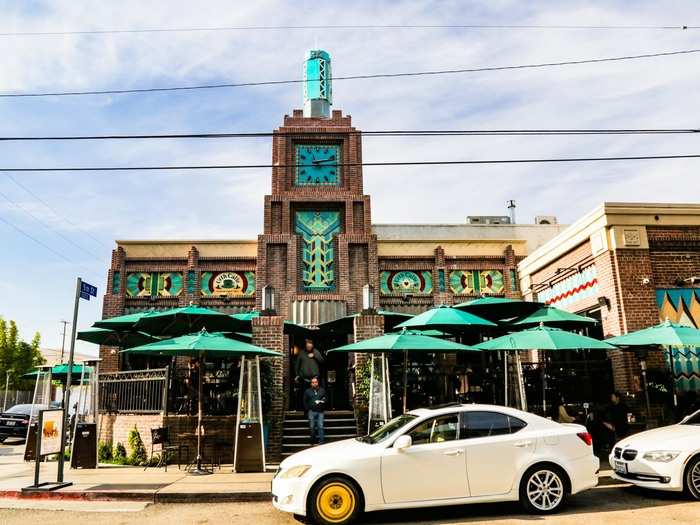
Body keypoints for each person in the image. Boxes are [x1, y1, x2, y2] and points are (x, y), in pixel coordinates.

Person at [295, 339, 325, 408]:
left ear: (312, 346)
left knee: (316, 395)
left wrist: (314, 356)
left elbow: (322, 361)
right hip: (304, 379)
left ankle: (316, 408)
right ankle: (305, 409)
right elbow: (297, 365)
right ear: (305, 346)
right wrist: (297, 375)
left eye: (310, 347)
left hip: (315, 379)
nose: (309, 348)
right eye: (308, 347)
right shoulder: (301, 353)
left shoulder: (316, 352)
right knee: (304, 395)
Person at [303, 377, 327, 445]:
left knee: (320, 426)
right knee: (312, 427)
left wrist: (323, 401)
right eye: (313, 382)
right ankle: (313, 441)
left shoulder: (322, 390)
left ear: (318, 383)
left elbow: (325, 399)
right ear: (311, 383)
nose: (314, 383)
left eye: (315, 382)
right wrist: (307, 409)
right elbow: (304, 401)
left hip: (320, 411)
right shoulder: (307, 391)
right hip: (311, 411)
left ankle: (321, 441)